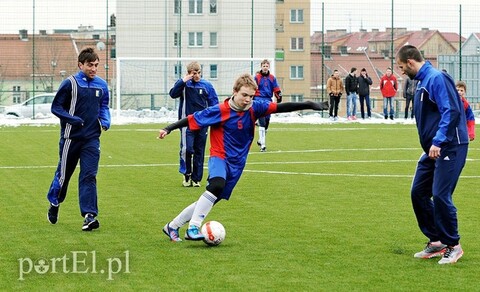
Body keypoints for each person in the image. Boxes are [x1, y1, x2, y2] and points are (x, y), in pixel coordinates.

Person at [158, 73, 329, 242]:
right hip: (219, 156)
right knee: (216, 185)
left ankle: (172, 226)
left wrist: (309, 104)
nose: (247, 100)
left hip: (237, 163)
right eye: (244, 95)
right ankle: (193, 228)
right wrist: (168, 128)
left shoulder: (256, 107)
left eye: (251, 96)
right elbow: (191, 119)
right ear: (235, 91)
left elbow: (281, 107)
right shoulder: (220, 110)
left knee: (208, 200)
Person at [396, 45, 469, 264]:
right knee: (418, 192)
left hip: (450, 145)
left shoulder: (436, 78)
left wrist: (438, 141)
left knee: (440, 195)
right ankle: (436, 240)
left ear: (410, 62)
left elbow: (451, 111)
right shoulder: (421, 82)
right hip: (433, 149)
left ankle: (453, 245)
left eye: (401, 66)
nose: (400, 71)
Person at [46, 47, 111, 231]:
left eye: (96, 65)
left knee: (89, 176)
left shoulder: (102, 85)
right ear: (80, 64)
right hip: (70, 138)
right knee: (64, 176)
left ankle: (89, 216)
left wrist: (105, 120)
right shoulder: (70, 84)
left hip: (92, 139)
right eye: (90, 65)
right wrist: (72, 119)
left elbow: (104, 107)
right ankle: (55, 202)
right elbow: (56, 108)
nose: (94, 69)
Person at [169, 61, 219, 187]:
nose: (196, 75)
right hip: (187, 123)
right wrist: (183, 81)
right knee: (187, 149)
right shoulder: (184, 85)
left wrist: (215, 119)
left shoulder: (207, 85)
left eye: (198, 73)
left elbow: (214, 103)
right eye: (193, 73)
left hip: (203, 123)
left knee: (199, 150)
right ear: (188, 73)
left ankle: (196, 178)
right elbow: (173, 94)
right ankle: (186, 175)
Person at [253, 59, 282, 152]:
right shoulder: (257, 77)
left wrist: (278, 95)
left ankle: (260, 140)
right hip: (259, 100)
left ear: (269, 67)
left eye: (266, 66)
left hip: (268, 101)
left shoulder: (272, 78)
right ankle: (263, 146)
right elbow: (253, 88)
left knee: (267, 122)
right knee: (262, 122)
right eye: (263, 66)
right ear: (261, 67)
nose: (265, 68)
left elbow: (276, 88)